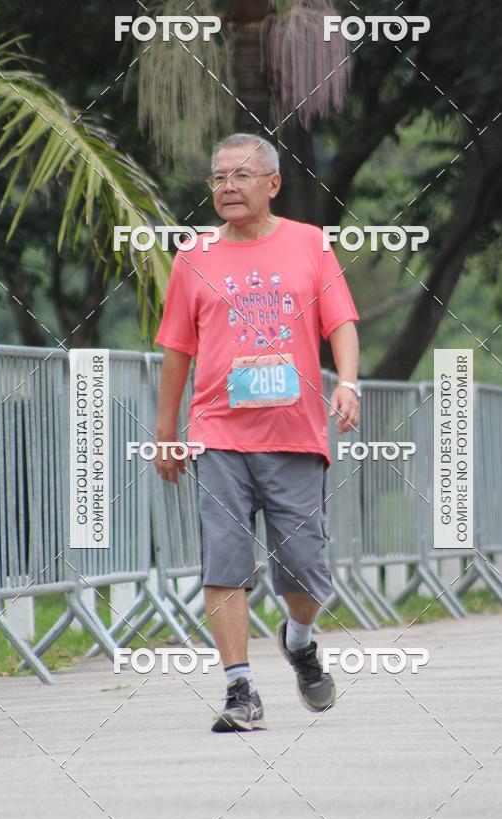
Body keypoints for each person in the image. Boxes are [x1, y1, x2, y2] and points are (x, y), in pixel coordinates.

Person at [154, 133, 360, 732]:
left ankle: (299, 641)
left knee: (303, 569)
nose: (227, 187)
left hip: (294, 434)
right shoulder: (193, 256)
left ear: (272, 184)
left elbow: (341, 322)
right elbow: (176, 350)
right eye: (219, 177)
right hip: (218, 434)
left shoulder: (310, 244)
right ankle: (239, 689)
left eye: (241, 176)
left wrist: (348, 382)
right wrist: (166, 434)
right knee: (225, 562)